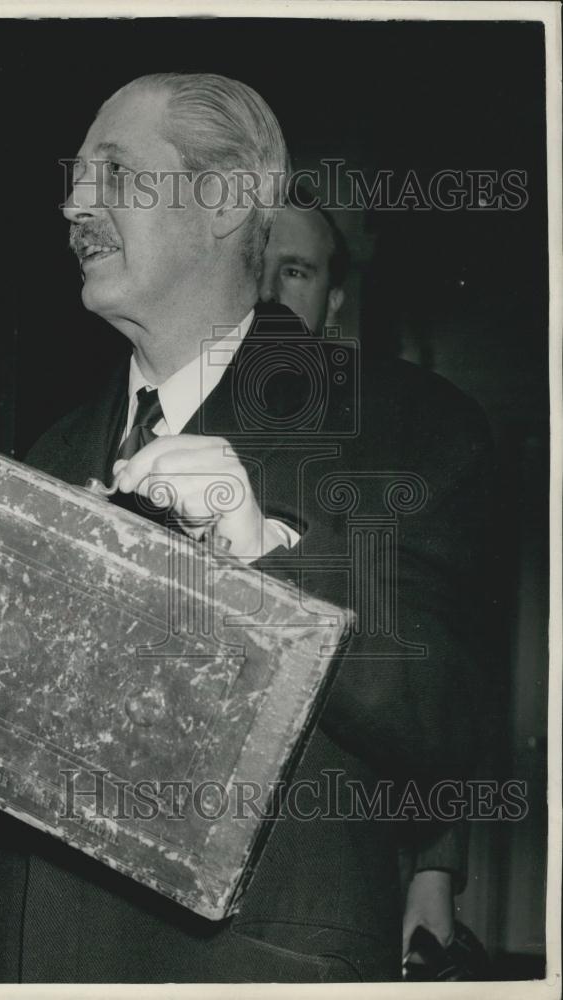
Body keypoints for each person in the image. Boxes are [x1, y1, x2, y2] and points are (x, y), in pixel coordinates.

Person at [0, 72, 492, 984]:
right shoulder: (47, 448)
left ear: (228, 199)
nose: (74, 203)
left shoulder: (409, 426)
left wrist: (258, 553)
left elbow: (450, 725)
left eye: (114, 172)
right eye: (76, 175)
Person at [258, 196, 471, 971]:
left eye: (296, 270)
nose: (271, 292)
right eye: (257, 267)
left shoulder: (390, 434)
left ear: (332, 300)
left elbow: (422, 669)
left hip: (328, 863)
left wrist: (435, 869)